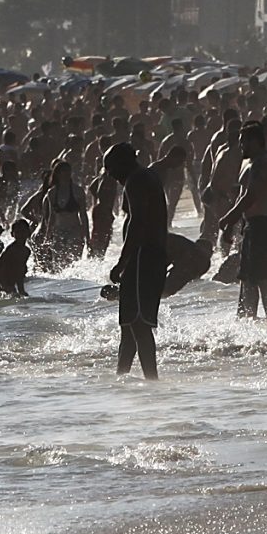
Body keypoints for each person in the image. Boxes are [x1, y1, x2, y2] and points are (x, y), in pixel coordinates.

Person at [206, 123, 267, 319]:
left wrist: (229, 219)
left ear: (255, 141)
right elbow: (245, 195)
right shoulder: (255, 162)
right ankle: (246, 320)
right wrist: (235, 225)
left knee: (262, 279)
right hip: (255, 224)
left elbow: (251, 195)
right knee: (248, 278)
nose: (241, 146)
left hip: (263, 224)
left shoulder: (263, 162)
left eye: (243, 142)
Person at [104, 143, 168, 381]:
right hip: (147, 256)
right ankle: (121, 379)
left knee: (139, 325)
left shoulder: (136, 179)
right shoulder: (147, 176)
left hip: (143, 257)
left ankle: (152, 381)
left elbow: (138, 221)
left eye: (111, 168)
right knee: (129, 327)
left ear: (123, 163)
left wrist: (122, 262)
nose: (110, 175)